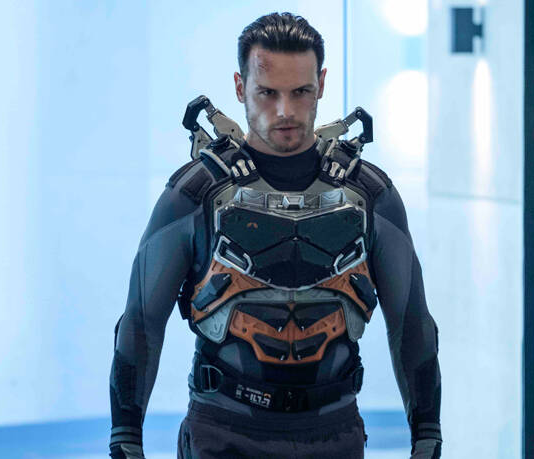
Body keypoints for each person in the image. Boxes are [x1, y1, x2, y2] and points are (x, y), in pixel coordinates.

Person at [109, 12, 442, 459]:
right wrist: (125, 440)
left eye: (300, 92)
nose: (285, 110)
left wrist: (427, 436)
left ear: (321, 84)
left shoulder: (370, 194)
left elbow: (411, 323)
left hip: (334, 436)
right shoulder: (193, 194)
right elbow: (141, 324)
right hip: (223, 436)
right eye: (268, 93)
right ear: (240, 86)